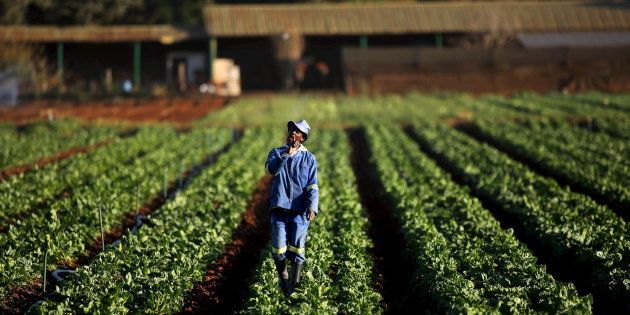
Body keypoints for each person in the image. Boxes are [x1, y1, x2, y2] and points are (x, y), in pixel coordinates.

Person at [265, 119, 319, 296]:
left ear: (302, 137)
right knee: (279, 250)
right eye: (291, 130)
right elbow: (271, 169)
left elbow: (312, 186)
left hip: (299, 212)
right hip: (279, 209)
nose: (292, 133)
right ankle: (283, 276)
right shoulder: (277, 153)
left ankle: (292, 289)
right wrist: (287, 154)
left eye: (297, 131)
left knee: (297, 249)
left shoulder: (309, 158)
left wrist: (312, 207)